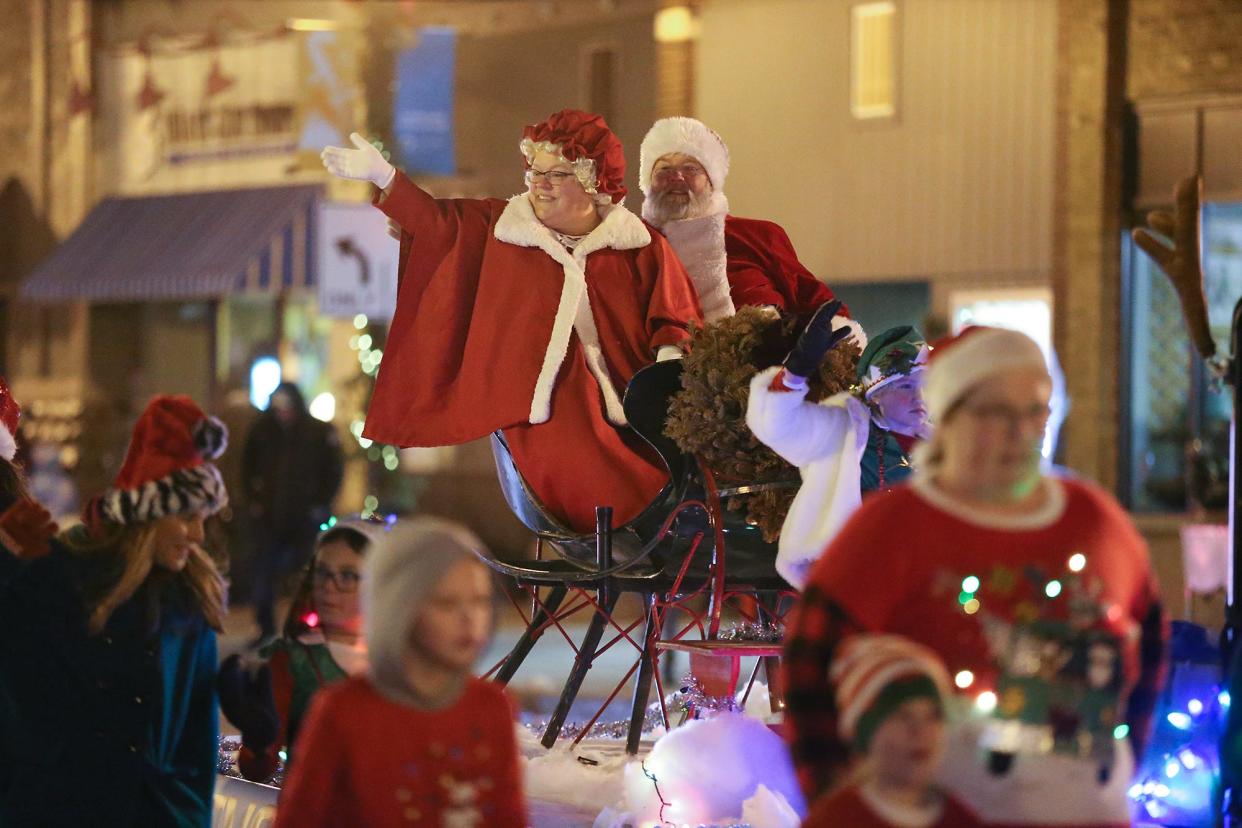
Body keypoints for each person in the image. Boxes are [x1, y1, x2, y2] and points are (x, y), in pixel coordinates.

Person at [783, 327, 1168, 828]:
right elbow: (810, 663)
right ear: (947, 416)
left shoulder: (1094, 521)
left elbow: (1151, 643)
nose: (1020, 431)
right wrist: (846, 803)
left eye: (1035, 411)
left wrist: (1117, 767)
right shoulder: (892, 528)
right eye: (994, 413)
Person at [321, 110, 703, 533]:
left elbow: (675, 314)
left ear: (594, 182)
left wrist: (666, 367)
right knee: (579, 454)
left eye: (557, 173)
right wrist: (385, 176)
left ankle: (647, 516)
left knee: (659, 466)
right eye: (535, 171)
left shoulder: (640, 247)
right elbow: (437, 223)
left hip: (634, 411)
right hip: (540, 415)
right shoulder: (503, 228)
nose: (540, 183)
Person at [0, 395, 229, 827]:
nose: (198, 534)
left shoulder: (189, 605)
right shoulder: (63, 580)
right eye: (187, 517)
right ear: (149, 514)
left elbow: (196, 749)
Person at [273, 518, 525, 827]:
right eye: (447, 603)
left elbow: (508, 818)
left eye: (480, 601)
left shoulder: (491, 707)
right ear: (400, 608)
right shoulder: (344, 711)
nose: (469, 619)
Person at [747, 314, 929, 587]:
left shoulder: (944, 442)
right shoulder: (844, 428)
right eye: (905, 386)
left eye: (925, 385)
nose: (919, 396)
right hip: (855, 568)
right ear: (876, 393)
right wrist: (795, 373)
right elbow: (778, 427)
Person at [638, 116, 855, 327]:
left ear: (712, 182)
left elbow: (816, 301)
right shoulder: (635, 246)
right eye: (664, 169)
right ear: (648, 182)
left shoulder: (757, 236)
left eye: (691, 168)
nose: (677, 177)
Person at [220, 520, 374, 782]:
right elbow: (258, 768)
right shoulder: (293, 661)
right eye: (322, 573)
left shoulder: (403, 667)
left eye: (347, 576)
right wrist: (258, 742)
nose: (329, 585)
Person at [804, 634, 982, 828]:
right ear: (866, 733)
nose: (921, 731)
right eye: (902, 716)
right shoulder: (832, 821)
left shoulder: (961, 820)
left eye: (933, 716)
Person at [242, 381, 344, 643]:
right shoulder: (263, 430)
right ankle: (265, 629)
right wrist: (253, 500)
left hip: (304, 522)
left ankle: (305, 629)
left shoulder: (317, 432)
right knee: (263, 576)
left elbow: (333, 470)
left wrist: (319, 504)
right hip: (269, 520)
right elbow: (247, 466)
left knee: (306, 576)